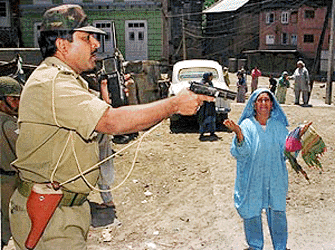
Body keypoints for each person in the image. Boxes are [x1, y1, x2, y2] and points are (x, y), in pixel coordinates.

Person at [9, 4, 213, 250]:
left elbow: (103, 115)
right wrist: (174, 105)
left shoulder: (66, 81)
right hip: (50, 215)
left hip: (60, 210)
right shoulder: (52, 83)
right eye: (86, 38)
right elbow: (112, 121)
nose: (95, 44)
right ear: (62, 45)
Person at [223, 89, 311, 250]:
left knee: (277, 212)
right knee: (252, 212)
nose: (263, 103)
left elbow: (287, 152)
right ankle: (255, 246)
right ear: (254, 105)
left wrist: (297, 135)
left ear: (272, 104)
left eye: (267, 100)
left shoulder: (278, 126)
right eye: (260, 100)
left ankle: (280, 246)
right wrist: (239, 134)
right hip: (252, 177)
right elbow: (242, 153)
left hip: (275, 177)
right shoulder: (246, 125)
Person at [0, 76, 22, 249]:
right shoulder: (8, 124)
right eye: (13, 99)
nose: (18, 103)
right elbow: (24, 151)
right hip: (9, 181)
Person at [198, 72, 217, 140]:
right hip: (204, 104)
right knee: (203, 117)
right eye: (210, 76)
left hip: (210, 103)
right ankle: (202, 132)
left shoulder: (210, 83)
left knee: (211, 117)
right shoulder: (202, 83)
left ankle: (212, 132)